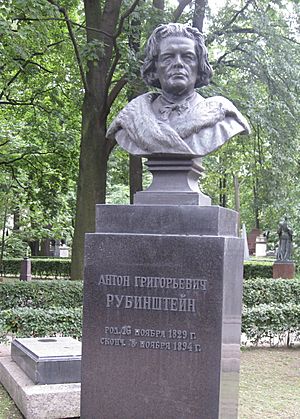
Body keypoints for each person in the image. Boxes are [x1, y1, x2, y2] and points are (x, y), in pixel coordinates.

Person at [107, 23, 250, 156]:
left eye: (188, 57)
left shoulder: (223, 117)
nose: (178, 64)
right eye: (168, 57)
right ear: (155, 67)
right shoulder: (132, 117)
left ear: (199, 66)